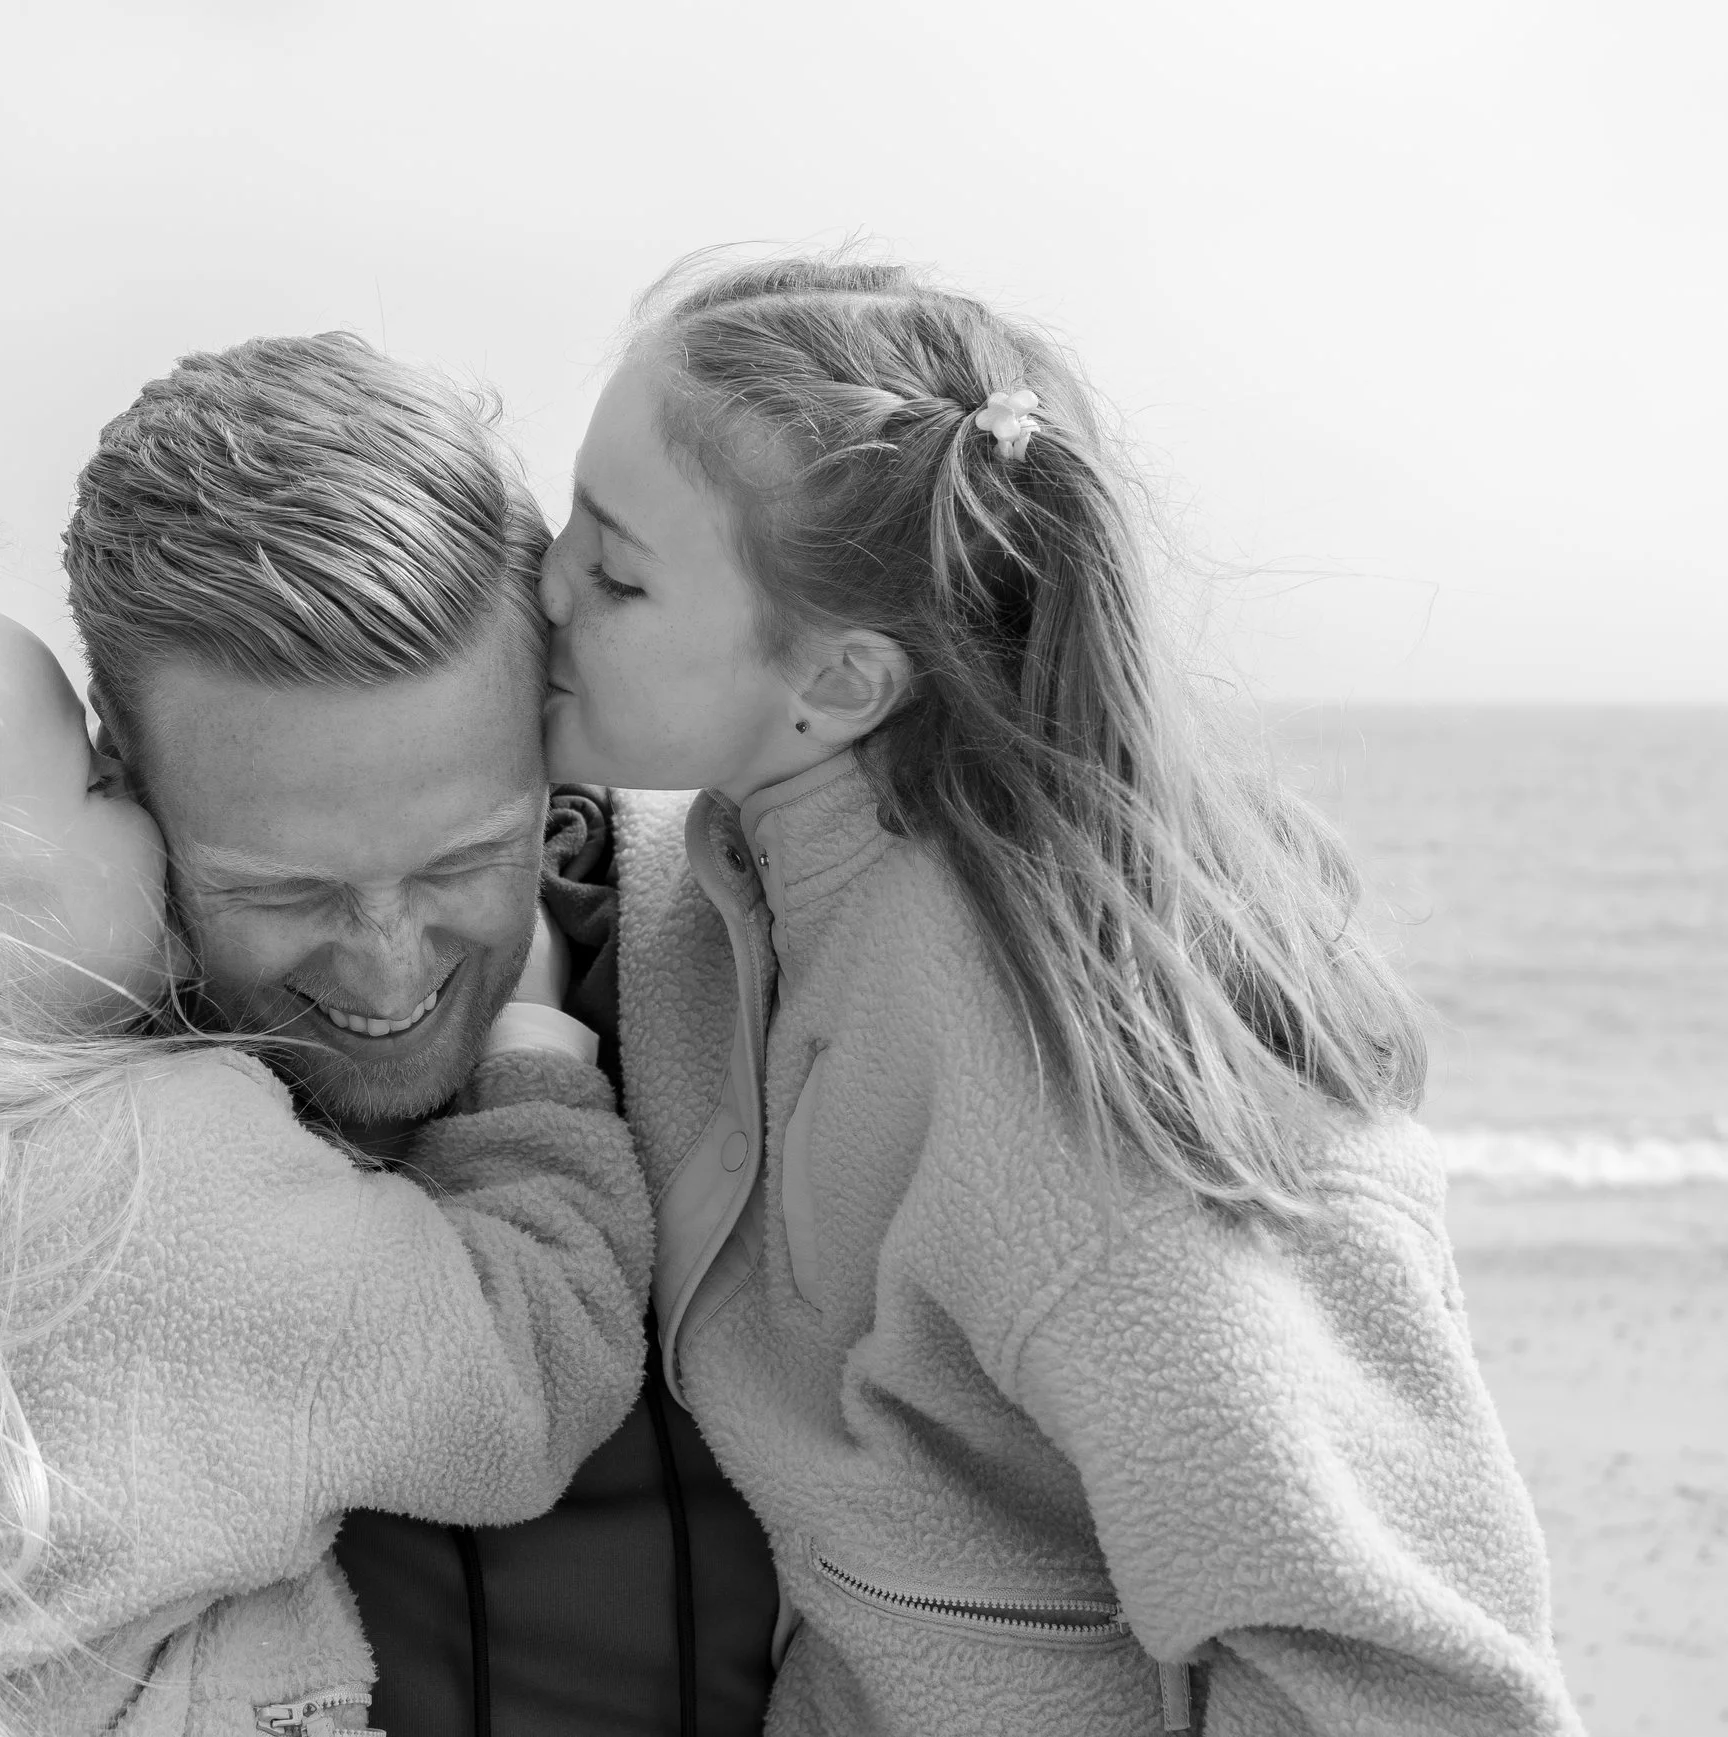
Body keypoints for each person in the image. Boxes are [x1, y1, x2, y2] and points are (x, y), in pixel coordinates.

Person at [0, 332, 781, 1737]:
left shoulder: (749, 997)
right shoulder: (73, 1137)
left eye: (458, 862)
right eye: (277, 887)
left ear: (552, 742)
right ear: (130, 766)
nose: (386, 964)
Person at [541, 251, 1585, 1733]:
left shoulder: (1060, 1096)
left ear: (839, 686)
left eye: (616, 567)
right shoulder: (755, 854)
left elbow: (1412, 1686)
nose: (544, 582)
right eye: (565, 511)